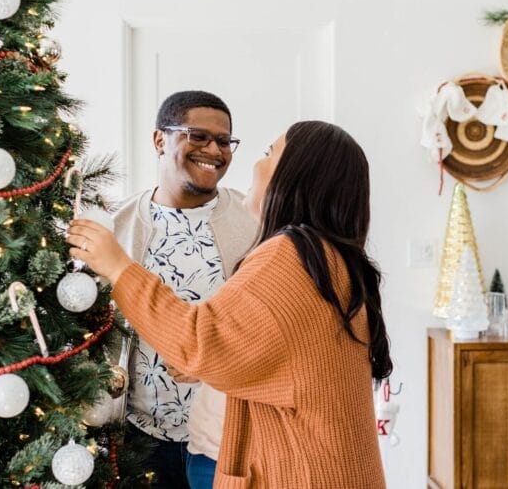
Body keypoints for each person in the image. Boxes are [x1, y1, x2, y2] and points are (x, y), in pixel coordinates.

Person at [69, 120, 392, 488]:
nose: (254, 165)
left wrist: (117, 266)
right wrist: (217, 363)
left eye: (269, 153)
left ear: (295, 175)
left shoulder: (290, 256)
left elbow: (197, 340)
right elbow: (292, 358)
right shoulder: (327, 258)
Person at [110, 90, 257, 488]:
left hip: (226, 441)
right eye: (198, 136)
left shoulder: (254, 223)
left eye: (224, 141)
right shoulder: (119, 226)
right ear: (161, 141)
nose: (214, 150)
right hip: (140, 438)